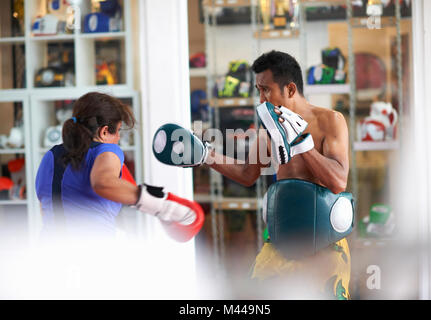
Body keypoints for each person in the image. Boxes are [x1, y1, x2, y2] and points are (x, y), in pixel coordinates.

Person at [152, 51, 353, 299]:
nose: (260, 99)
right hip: (281, 241)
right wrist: (205, 155)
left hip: (325, 244)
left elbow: (338, 181)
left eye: (266, 90)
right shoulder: (268, 129)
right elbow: (247, 174)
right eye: (258, 90)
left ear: (290, 89)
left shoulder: (330, 121)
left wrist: (303, 145)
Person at [35, 92, 204, 242]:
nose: (117, 139)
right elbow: (103, 182)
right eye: (117, 132)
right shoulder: (107, 149)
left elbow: (46, 208)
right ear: (104, 132)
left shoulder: (49, 157)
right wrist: (163, 207)